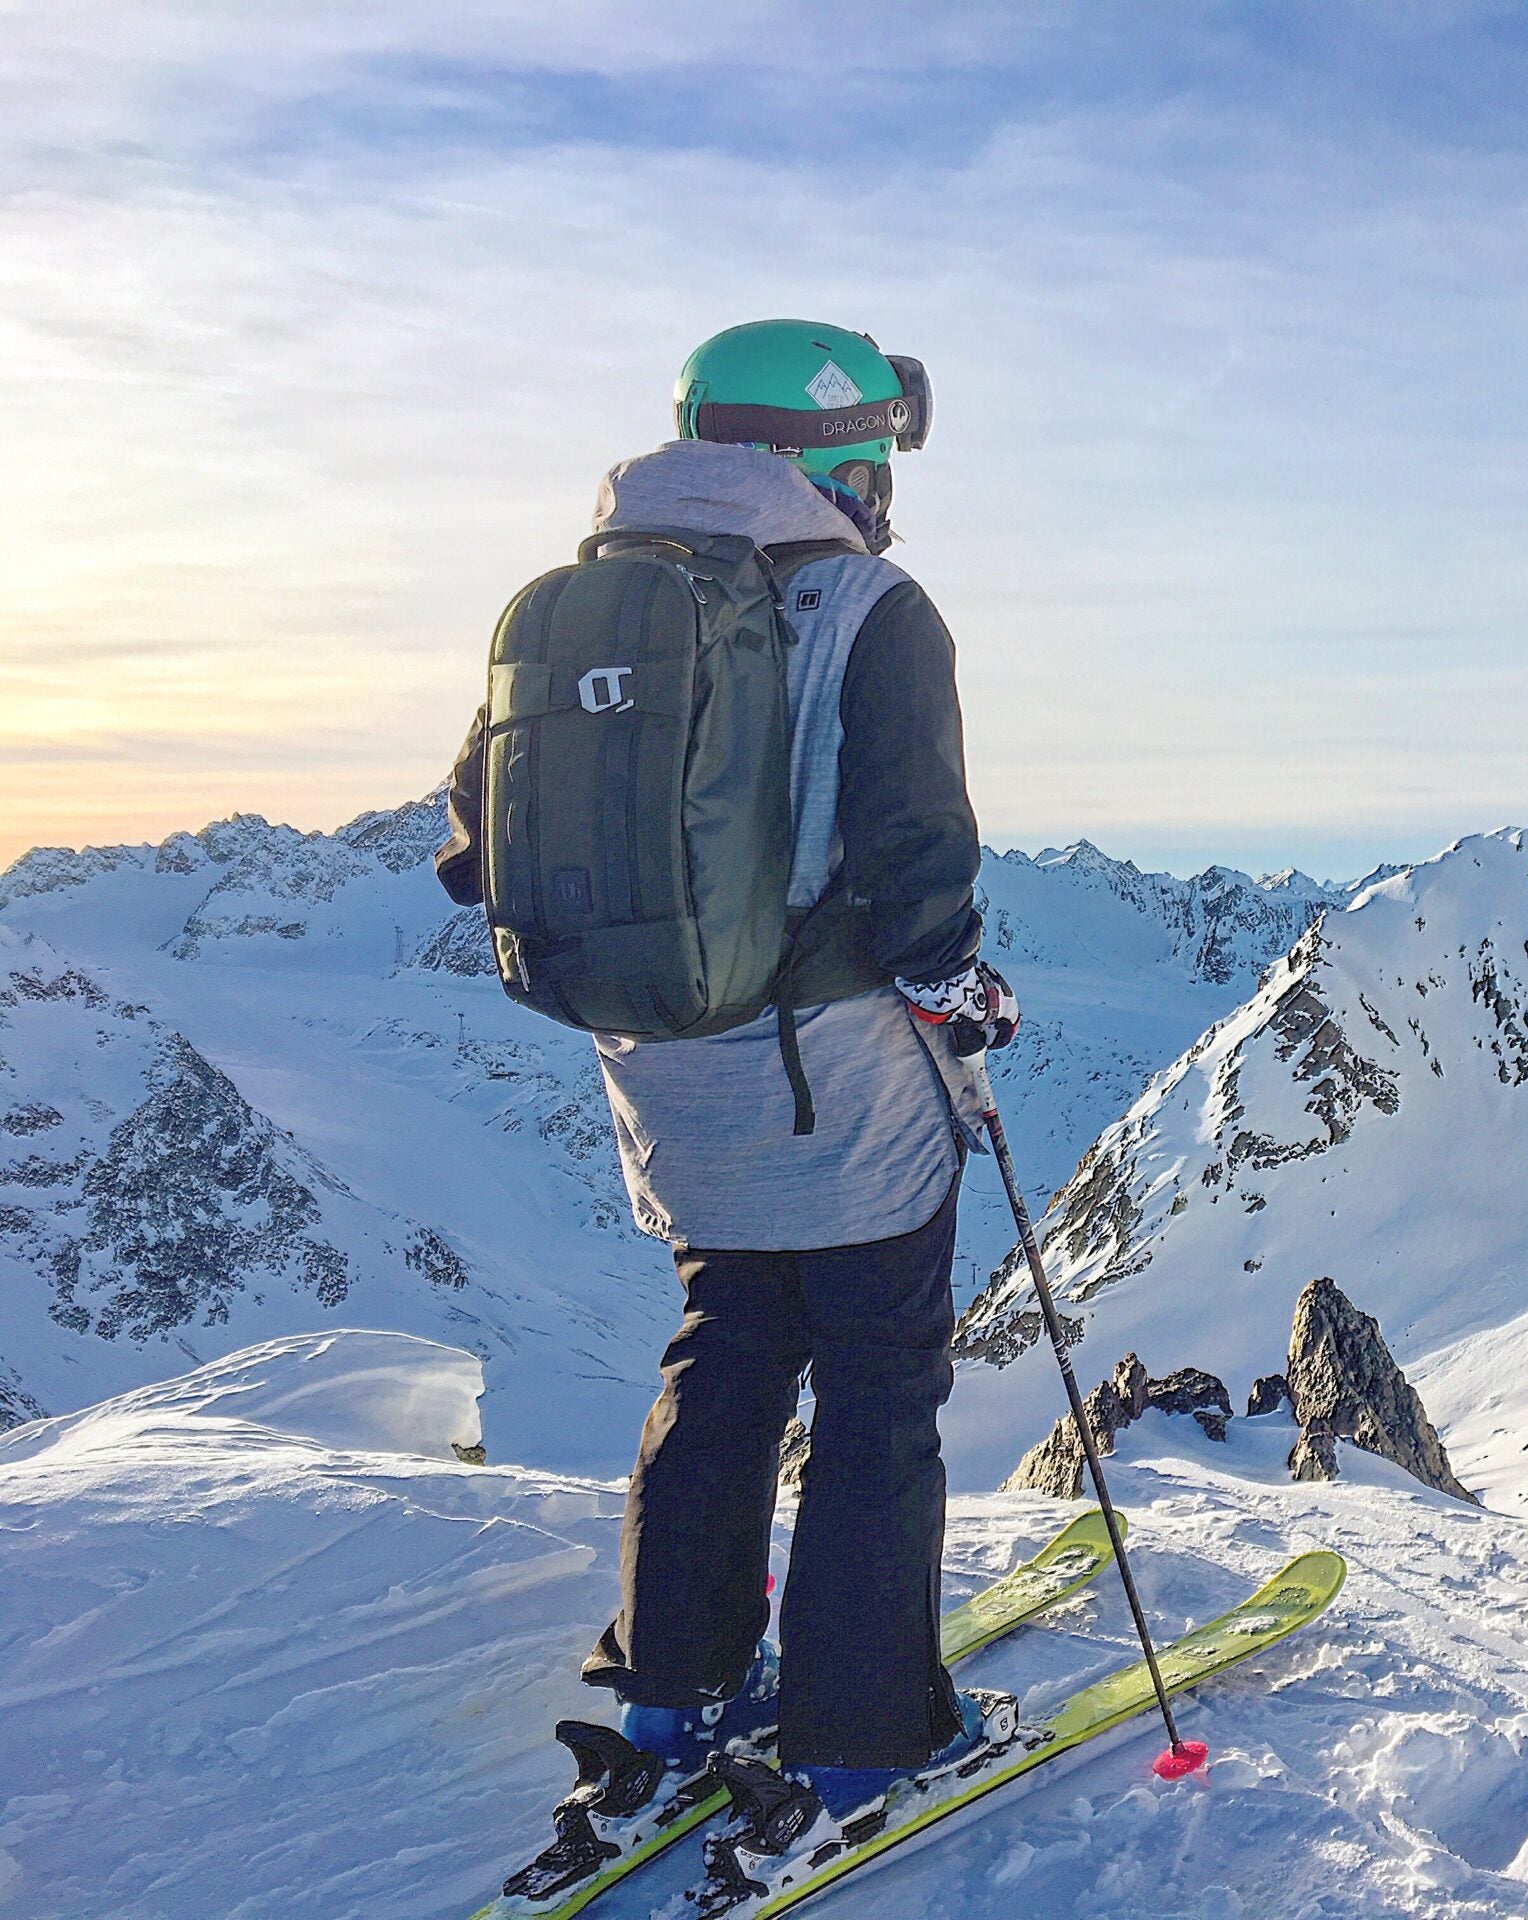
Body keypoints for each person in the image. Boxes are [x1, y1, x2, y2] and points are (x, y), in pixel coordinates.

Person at [433, 319, 1021, 1871]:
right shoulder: (874, 611)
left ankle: (669, 1703)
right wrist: (966, 992)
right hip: (836, 1091)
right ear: (823, 459)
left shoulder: (574, 607)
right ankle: (857, 1730)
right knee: (879, 1384)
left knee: (729, 1352)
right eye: (872, 458)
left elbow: (473, 841)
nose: (882, 489)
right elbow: (914, 870)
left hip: (665, 1082)